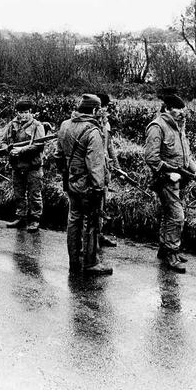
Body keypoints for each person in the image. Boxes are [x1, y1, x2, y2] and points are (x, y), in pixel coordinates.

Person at [143, 92, 196, 273]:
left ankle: (165, 248)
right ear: (167, 109)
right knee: (177, 216)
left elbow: (187, 156)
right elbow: (151, 158)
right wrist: (168, 173)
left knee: (169, 213)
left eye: (183, 109)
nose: (181, 112)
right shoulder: (157, 127)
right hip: (165, 179)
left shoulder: (179, 127)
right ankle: (171, 252)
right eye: (177, 109)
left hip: (181, 178)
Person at [56, 94, 113, 275]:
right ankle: (90, 263)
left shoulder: (65, 125)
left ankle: (74, 261)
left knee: (73, 220)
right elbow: (95, 164)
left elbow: (58, 155)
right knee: (91, 222)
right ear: (95, 110)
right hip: (88, 185)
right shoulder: (93, 131)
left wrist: (67, 173)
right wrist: (98, 188)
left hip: (71, 181)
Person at [2, 99, 50, 232]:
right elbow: (3, 141)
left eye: (26, 112)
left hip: (33, 166)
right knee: (19, 193)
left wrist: (21, 150)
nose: (23, 115)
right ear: (16, 112)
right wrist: (9, 150)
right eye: (20, 112)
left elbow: (39, 145)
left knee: (34, 194)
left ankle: (35, 219)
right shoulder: (12, 125)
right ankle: (21, 217)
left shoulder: (37, 125)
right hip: (17, 166)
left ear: (30, 112)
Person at [95, 93, 117, 248]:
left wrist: (117, 165)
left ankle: (99, 233)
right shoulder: (91, 125)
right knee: (92, 205)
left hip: (105, 168)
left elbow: (109, 146)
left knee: (102, 202)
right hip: (94, 168)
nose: (105, 110)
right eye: (104, 106)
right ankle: (89, 239)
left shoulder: (106, 124)